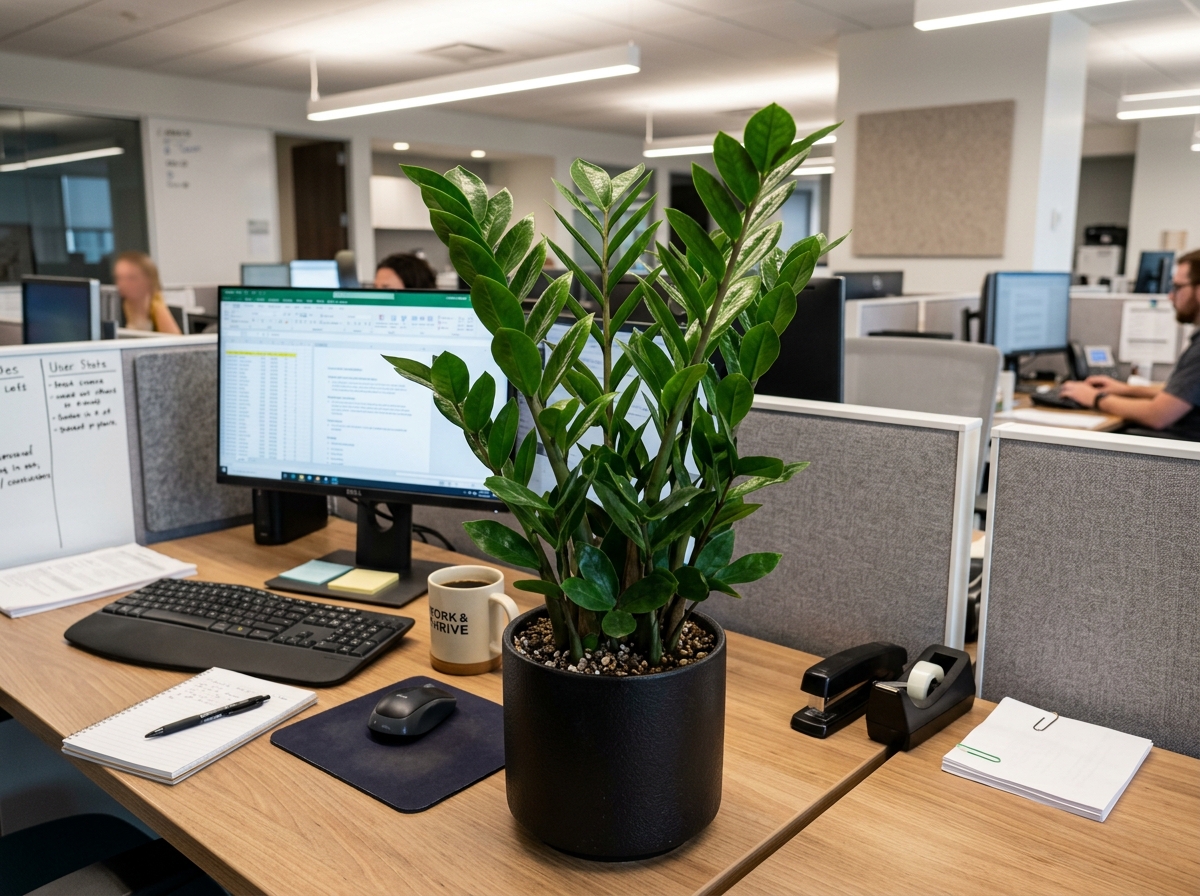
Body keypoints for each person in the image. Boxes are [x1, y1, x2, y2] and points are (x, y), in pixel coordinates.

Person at [1060, 248, 1200, 440]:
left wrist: (1094, 398)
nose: (1170, 296)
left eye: (1177, 287)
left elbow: (1157, 415)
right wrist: (1125, 390)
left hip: (1172, 460)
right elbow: (1180, 393)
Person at [113, 251, 181, 334]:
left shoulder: (163, 309)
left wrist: (158, 309)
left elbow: (175, 343)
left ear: (149, 280)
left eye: (131, 278)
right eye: (119, 278)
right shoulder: (114, 311)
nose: (122, 284)